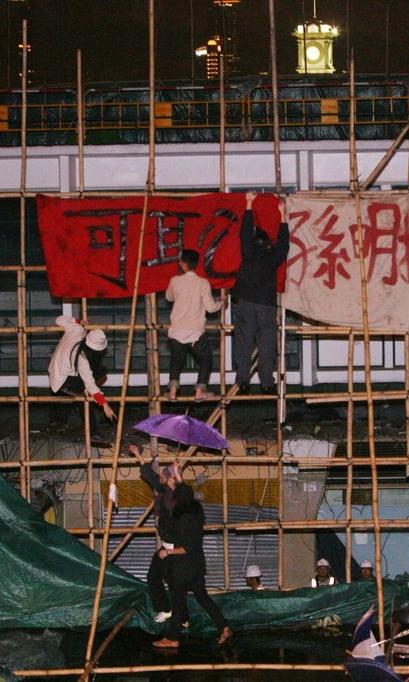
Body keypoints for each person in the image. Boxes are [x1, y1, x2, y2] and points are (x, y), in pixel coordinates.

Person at [153, 483, 232, 648]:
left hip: (184, 567)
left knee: (178, 601)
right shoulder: (197, 512)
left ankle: (172, 638)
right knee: (203, 597)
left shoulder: (183, 518)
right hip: (197, 564)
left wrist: (167, 552)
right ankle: (223, 626)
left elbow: (186, 547)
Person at [231, 192, 290, 395]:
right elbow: (284, 245)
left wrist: (248, 203)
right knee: (266, 345)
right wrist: (283, 215)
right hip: (266, 304)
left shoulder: (247, 254)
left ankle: (243, 381)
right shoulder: (272, 258)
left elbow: (244, 233)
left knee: (243, 345)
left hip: (246, 302)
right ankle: (267, 383)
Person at [132, 444, 183, 623]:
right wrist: (137, 454)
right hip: (167, 545)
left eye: (164, 475)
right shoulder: (163, 491)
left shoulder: (175, 496)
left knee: (169, 579)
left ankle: (176, 614)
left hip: (176, 547)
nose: (160, 476)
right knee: (156, 577)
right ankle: (169, 610)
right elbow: (149, 473)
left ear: (170, 479)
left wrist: (177, 474)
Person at [165, 249, 222, 402]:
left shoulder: (175, 281)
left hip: (177, 329)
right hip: (195, 331)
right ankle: (199, 392)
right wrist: (221, 304)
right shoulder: (203, 283)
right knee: (206, 360)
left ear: (182, 263)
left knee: (176, 361)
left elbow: (168, 297)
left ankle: (172, 393)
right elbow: (210, 308)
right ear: (196, 264)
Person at [48, 316, 117, 430]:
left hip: (56, 371)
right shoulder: (81, 357)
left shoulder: (77, 330)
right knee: (87, 394)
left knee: (97, 374)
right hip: (64, 380)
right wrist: (105, 404)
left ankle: (91, 428)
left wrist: (78, 322)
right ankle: (93, 431)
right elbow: (89, 382)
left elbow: (59, 320)